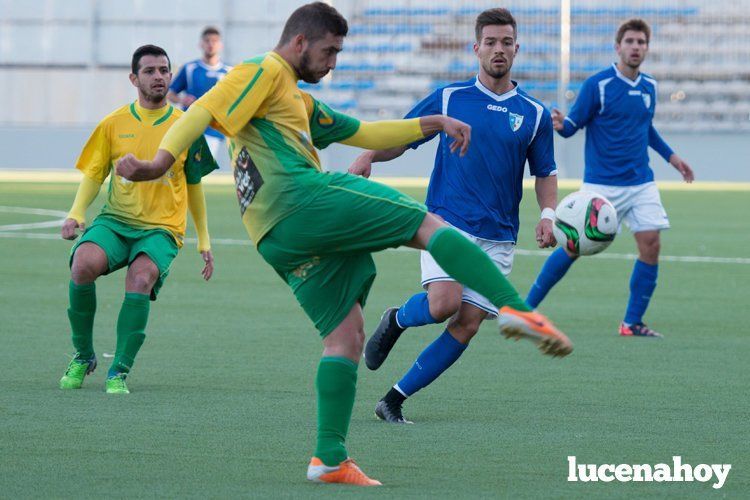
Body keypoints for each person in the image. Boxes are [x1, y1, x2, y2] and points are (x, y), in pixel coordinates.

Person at [115, 2, 571, 486]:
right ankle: (518, 308)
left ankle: (328, 458)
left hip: (273, 235)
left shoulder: (297, 101)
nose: (333, 63)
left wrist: (435, 124)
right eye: (329, 52)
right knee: (427, 223)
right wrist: (158, 163)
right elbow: (200, 111)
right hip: (301, 198)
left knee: (346, 337)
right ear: (300, 44)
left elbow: (364, 132)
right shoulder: (263, 69)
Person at [348, 8, 559, 425]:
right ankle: (398, 318)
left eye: (507, 42)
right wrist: (370, 153)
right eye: (491, 42)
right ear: (476, 47)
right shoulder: (450, 99)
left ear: (517, 48)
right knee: (443, 304)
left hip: (499, 235)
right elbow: (404, 134)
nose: (499, 50)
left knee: (467, 324)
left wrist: (548, 214)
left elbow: (545, 173)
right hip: (447, 221)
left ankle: (393, 399)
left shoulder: (534, 113)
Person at [59, 45, 218, 395]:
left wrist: (204, 240)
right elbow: (94, 173)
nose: (158, 76)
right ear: (134, 78)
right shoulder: (113, 123)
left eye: (164, 70)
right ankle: (84, 356)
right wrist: (76, 213)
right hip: (116, 220)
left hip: (161, 228)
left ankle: (118, 371)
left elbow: (194, 185)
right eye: (150, 71)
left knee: (141, 276)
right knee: (82, 264)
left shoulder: (186, 125)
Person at [525, 18, 694, 338]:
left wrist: (672, 158)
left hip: (641, 182)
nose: (635, 47)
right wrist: (561, 124)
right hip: (601, 185)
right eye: (630, 41)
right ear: (618, 47)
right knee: (572, 247)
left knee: (651, 245)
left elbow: (646, 128)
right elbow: (574, 125)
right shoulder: (598, 85)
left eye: (641, 42)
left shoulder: (650, 87)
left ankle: (631, 323)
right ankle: (526, 307)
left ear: (646, 48)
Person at [168, 26, 232, 159]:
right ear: (201, 44)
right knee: (182, 165)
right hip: (189, 127)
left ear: (220, 45)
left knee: (199, 165)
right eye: (207, 40)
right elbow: (170, 93)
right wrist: (181, 100)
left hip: (214, 130)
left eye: (214, 41)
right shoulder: (190, 68)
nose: (210, 44)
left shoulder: (229, 72)